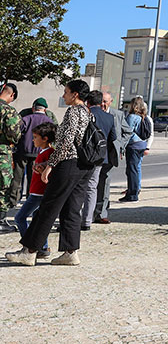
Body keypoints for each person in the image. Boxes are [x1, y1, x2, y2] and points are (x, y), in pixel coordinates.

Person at [6, 79, 96, 267]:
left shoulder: (73, 111)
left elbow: (66, 143)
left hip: (68, 164)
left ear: (75, 95)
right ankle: (71, 253)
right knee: (72, 209)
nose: (63, 96)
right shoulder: (88, 112)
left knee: (48, 207)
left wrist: (50, 165)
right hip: (83, 166)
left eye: (66, 92)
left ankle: (29, 251)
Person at [13, 122, 56, 259]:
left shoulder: (49, 153)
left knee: (20, 217)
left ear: (45, 139)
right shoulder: (43, 151)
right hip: (36, 191)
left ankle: (29, 244)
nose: (33, 140)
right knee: (38, 220)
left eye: (35, 137)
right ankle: (42, 247)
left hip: (39, 193)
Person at [82, 90, 116, 228]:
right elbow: (113, 138)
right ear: (101, 102)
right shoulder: (109, 118)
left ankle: (75, 218)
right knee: (92, 188)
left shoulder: (86, 114)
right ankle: (87, 221)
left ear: (88, 102)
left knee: (78, 188)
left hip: (83, 156)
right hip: (100, 157)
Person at [0, 83, 23, 232]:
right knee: (3, 185)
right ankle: (1, 220)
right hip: (2, 152)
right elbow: (14, 134)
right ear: (12, 95)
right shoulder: (8, 110)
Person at [120, 98, 150, 202]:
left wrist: (122, 147)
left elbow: (127, 133)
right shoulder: (143, 117)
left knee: (131, 170)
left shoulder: (132, 117)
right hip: (142, 144)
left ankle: (132, 194)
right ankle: (135, 191)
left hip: (133, 145)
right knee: (136, 169)